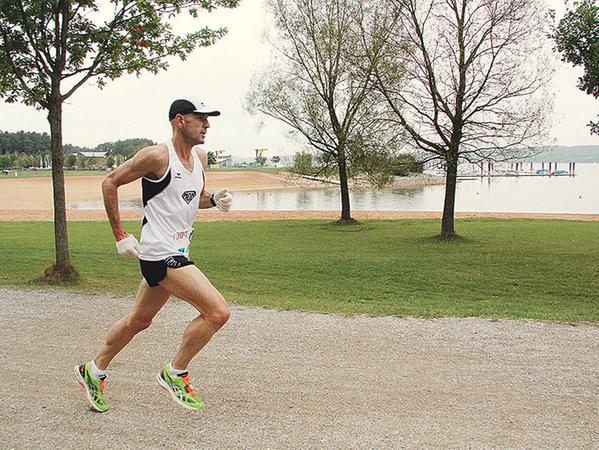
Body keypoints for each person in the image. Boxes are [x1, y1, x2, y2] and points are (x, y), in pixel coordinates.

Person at [75, 98, 233, 412]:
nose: (207, 125)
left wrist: (214, 199)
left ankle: (93, 370)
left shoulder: (199, 158)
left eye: (208, 119)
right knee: (217, 312)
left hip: (177, 250)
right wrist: (120, 235)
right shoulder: (157, 156)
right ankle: (174, 373)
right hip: (159, 253)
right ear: (179, 121)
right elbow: (110, 182)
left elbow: (191, 198)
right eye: (200, 118)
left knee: (139, 320)